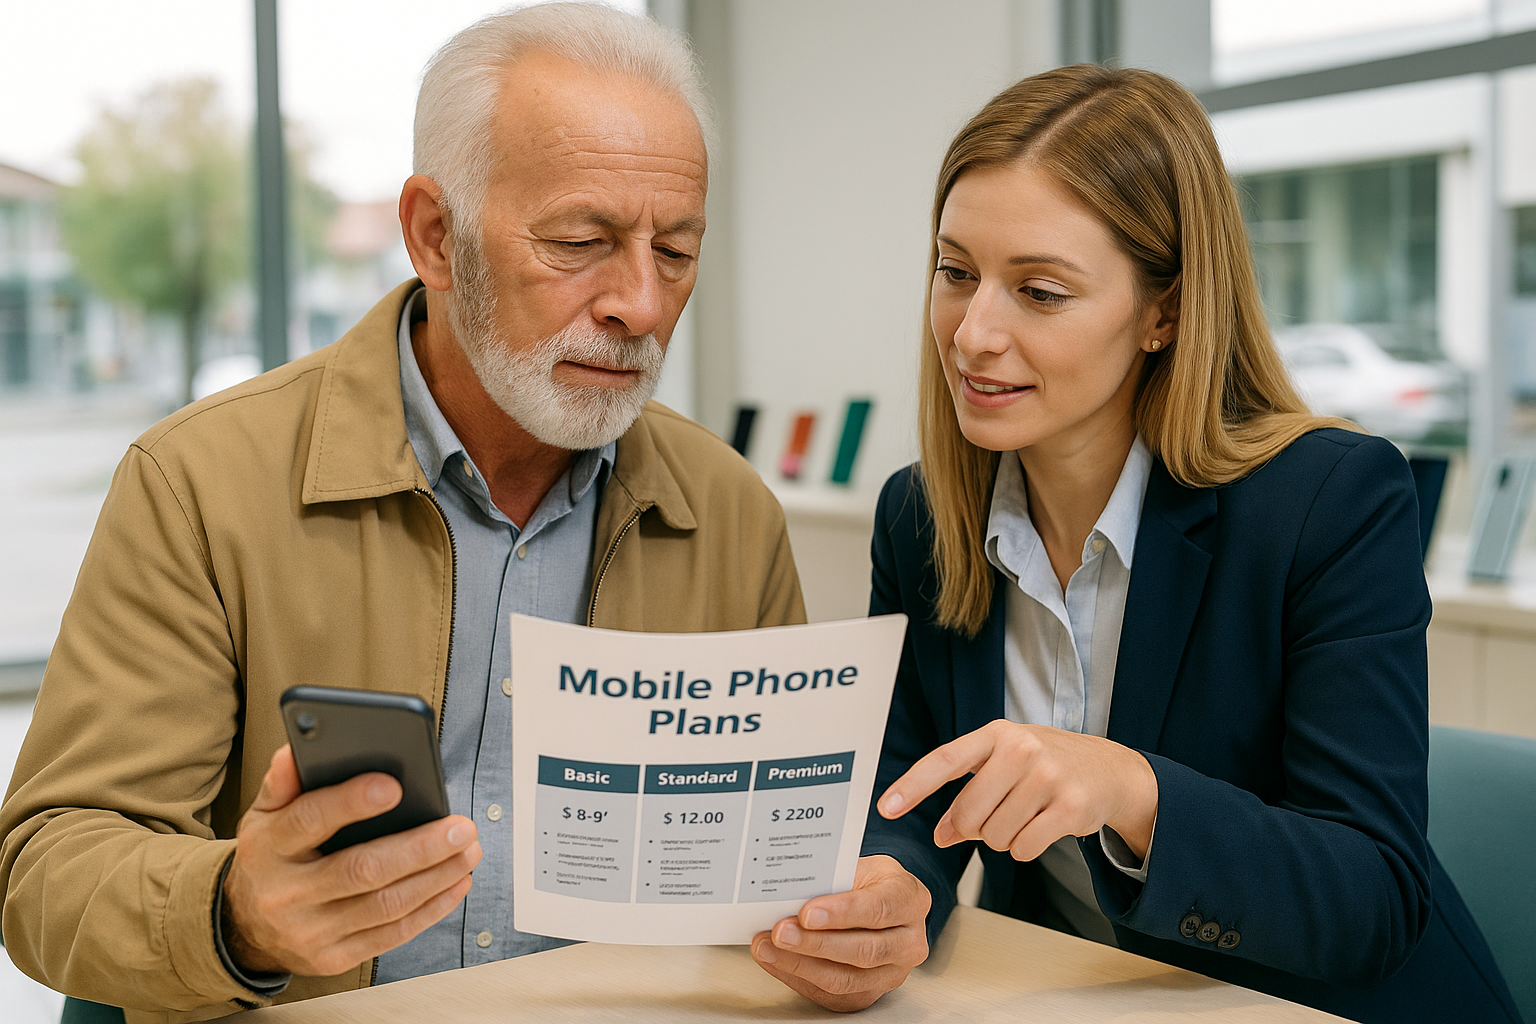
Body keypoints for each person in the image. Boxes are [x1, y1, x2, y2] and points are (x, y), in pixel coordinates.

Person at [0, 5, 924, 1020]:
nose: (642, 305)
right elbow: (49, 868)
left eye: (677, 250)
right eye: (582, 240)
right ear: (433, 235)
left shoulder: (729, 510)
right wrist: (236, 914)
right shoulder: (198, 483)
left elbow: (777, 853)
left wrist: (853, 910)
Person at [859, 65, 1522, 1024]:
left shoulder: (1328, 502)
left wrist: (1129, 790)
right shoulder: (921, 517)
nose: (971, 333)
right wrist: (890, 890)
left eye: (1040, 292)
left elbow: (1373, 898)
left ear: (1164, 311)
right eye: (956, 272)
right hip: (1075, 998)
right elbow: (910, 794)